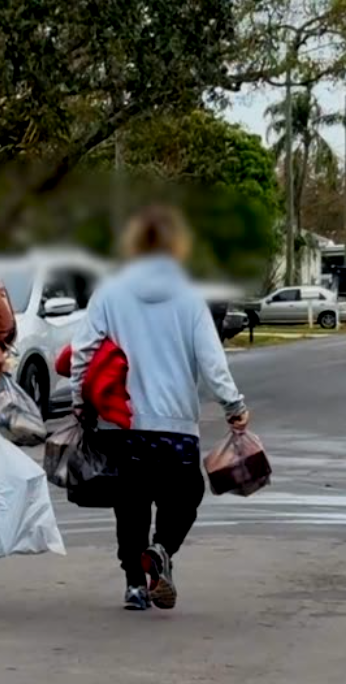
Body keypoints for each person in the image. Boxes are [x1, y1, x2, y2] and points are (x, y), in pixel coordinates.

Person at [70, 204, 249, 612]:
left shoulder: (109, 293)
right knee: (185, 494)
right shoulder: (190, 299)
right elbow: (212, 361)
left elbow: (82, 354)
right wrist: (233, 405)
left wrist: (80, 402)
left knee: (130, 504)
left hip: (121, 423)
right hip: (175, 426)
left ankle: (135, 585)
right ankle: (162, 549)